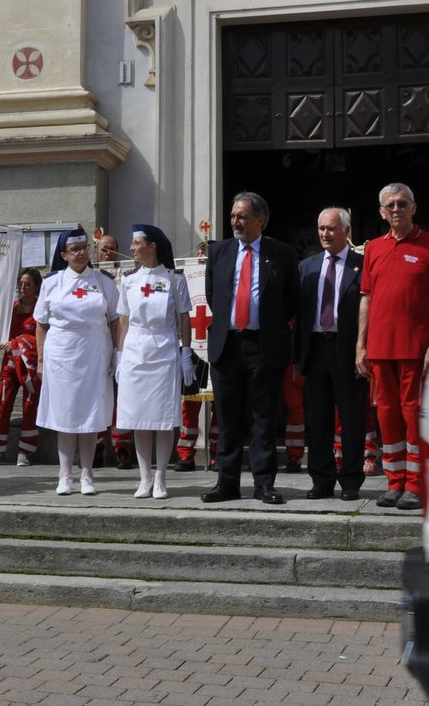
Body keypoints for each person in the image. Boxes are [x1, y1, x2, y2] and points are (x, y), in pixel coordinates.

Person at [356, 184, 429, 511]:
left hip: (415, 347)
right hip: (380, 349)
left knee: (413, 414)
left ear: (413, 208)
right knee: (386, 415)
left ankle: (415, 484)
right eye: (390, 205)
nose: (396, 209)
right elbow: (366, 299)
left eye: (402, 203)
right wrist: (361, 345)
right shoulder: (373, 249)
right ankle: (394, 482)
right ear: (382, 212)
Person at [202, 192, 300, 505]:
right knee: (228, 419)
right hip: (227, 346)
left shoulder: (281, 253)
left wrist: (266, 324)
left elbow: (291, 300)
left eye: (242, 216)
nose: (235, 222)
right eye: (233, 216)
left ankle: (263, 484)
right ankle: (226, 484)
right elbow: (212, 294)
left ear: (260, 219)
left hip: (264, 346)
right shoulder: (219, 251)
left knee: (262, 419)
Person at [35, 230, 121, 496]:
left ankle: (87, 473)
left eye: (84, 248)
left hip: (95, 353)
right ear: (64, 255)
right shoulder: (53, 282)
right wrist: (40, 360)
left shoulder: (103, 281)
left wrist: (118, 352)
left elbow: (116, 319)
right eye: (75, 249)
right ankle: (64, 473)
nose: (81, 253)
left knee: (91, 414)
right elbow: (41, 323)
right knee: (65, 414)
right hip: (62, 355)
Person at [294, 207, 368, 502]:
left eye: (332, 229)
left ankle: (350, 480)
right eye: (322, 228)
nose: (325, 234)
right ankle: (321, 479)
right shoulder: (307, 266)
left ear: (346, 232)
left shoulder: (362, 265)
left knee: (351, 418)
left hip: (348, 349)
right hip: (316, 349)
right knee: (319, 418)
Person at [114, 224, 192, 499]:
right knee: (139, 416)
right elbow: (123, 319)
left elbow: (184, 317)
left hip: (163, 349)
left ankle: (161, 477)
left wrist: (186, 353)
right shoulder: (129, 279)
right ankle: (144, 477)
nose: (133, 248)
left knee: (161, 417)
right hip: (136, 348)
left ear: (153, 245)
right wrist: (119, 356)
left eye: (137, 243)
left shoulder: (174, 279)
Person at [0, 267, 43, 467]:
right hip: (10, 364)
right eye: (21, 284)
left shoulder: (40, 311)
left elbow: (41, 339)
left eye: (28, 284)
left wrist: (17, 341)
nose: (23, 288)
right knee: (2, 404)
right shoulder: (11, 309)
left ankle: (25, 452)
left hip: (30, 367)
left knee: (29, 406)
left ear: (36, 287)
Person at [94, 232, 135, 470]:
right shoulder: (92, 278)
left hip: (123, 346)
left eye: (111, 249)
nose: (107, 253)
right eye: (103, 249)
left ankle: (122, 449)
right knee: (98, 399)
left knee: (121, 400)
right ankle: (97, 449)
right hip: (98, 347)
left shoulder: (126, 276)